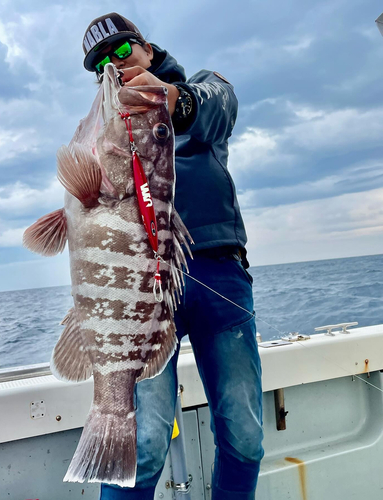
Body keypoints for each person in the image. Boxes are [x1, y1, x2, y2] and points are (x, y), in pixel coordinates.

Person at [81, 12, 264, 500]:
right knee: (142, 444)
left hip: (218, 277)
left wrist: (173, 101)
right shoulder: (101, 131)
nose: (115, 66)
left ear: (147, 47)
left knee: (245, 435)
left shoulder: (199, 90)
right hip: (141, 288)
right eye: (101, 63)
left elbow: (220, 105)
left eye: (122, 51)